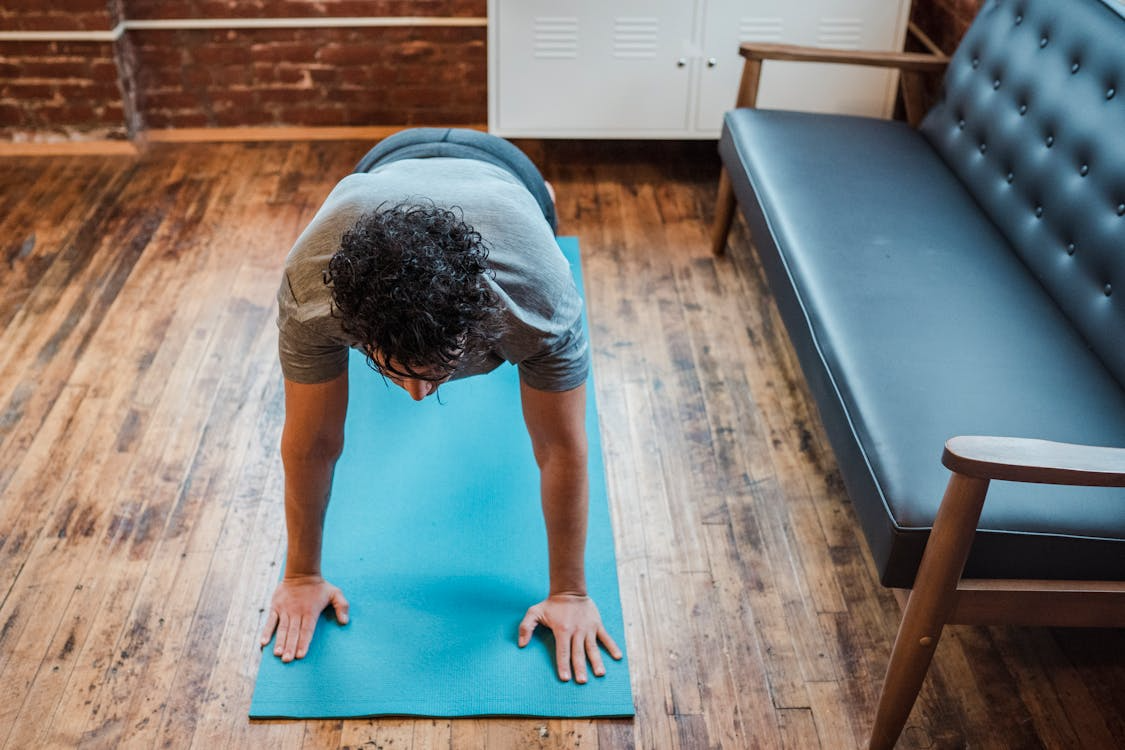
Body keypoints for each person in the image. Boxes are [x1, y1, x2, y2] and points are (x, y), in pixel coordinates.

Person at [258, 128, 622, 684]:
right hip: (384, 164)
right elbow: (312, 442)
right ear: (353, 331)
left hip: (507, 173)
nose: (420, 396)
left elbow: (561, 448)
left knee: (541, 211)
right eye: (395, 372)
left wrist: (570, 591)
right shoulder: (313, 293)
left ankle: (540, 195)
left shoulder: (538, 300)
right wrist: (302, 574)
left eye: (440, 373)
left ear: (478, 328)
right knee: (351, 215)